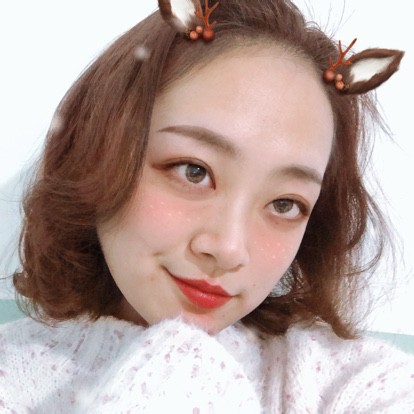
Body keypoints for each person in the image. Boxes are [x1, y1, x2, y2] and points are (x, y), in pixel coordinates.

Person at [1, 0, 413, 411]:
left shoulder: (351, 383)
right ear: (99, 152)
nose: (229, 249)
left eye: (285, 204)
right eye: (194, 172)